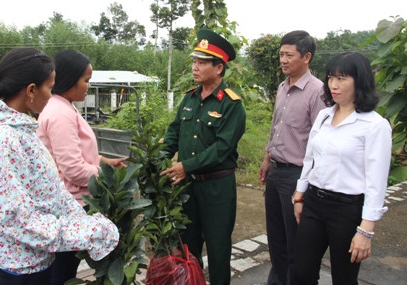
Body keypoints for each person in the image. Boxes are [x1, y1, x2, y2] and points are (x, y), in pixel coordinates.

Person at [0, 47, 119, 285]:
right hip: (21, 265)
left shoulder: (22, 130)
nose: (51, 94)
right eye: (49, 87)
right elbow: (16, 220)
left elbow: (52, 189)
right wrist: (82, 232)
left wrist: (84, 222)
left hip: (34, 257)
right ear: (31, 91)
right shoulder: (2, 141)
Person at [292, 51, 392, 284]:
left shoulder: (375, 126)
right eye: (330, 78)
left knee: (344, 278)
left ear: (361, 81)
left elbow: (376, 183)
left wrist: (365, 231)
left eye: (342, 78)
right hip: (314, 203)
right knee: (301, 272)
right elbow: (310, 158)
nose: (333, 85)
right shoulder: (324, 116)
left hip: (347, 210)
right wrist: (299, 194)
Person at [160, 28, 246, 285]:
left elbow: (222, 148)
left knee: (219, 250)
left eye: (202, 62)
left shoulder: (231, 104)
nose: (195, 67)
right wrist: (160, 160)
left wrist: (186, 165)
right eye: (194, 62)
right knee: (189, 246)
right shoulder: (189, 99)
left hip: (217, 187)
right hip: (187, 185)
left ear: (219, 68)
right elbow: (173, 133)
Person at [36, 49, 125, 285]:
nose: (88, 86)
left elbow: (72, 153)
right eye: (86, 81)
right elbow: (73, 169)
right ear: (68, 79)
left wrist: (104, 161)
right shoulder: (60, 113)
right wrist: (107, 177)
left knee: (63, 267)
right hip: (72, 204)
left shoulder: (63, 106)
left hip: (67, 200)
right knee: (63, 271)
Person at [258, 30, 326, 285]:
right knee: (275, 237)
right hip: (276, 170)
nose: (283, 60)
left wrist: (307, 185)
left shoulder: (317, 91)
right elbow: (277, 126)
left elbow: (321, 141)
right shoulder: (282, 87)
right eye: (281, 54)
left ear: (306, 57)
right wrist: (267, 158)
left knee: (296, 240)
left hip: (297, 175)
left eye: (289, 55)